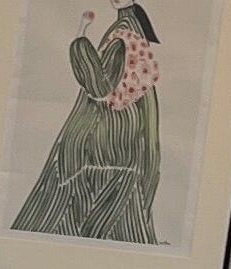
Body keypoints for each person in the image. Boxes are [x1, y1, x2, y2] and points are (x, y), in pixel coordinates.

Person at [9, 3, 163, 245]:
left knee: (66, 210)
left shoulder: (125, 34)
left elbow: (99, 87)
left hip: (103, 139)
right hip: (124, 141)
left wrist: (80, 39)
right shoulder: (134, 28)